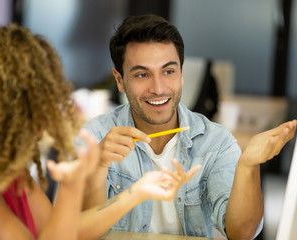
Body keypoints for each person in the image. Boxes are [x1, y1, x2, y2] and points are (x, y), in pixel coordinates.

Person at [0, 24, 202, 240]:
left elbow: (64, 232)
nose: (45, 123)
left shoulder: (11, 175)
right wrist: (72, 188)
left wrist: (139, 191)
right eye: (40, 106)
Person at [78, 14, 297, 239]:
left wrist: (248, 166)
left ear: (181, 74)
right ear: (120, 80)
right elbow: (77, 234)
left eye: (168, 71)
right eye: (142, 74)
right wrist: (98, 165)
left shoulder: (216, 141)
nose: (158, 88)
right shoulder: (93, 137)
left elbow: (242, 233)